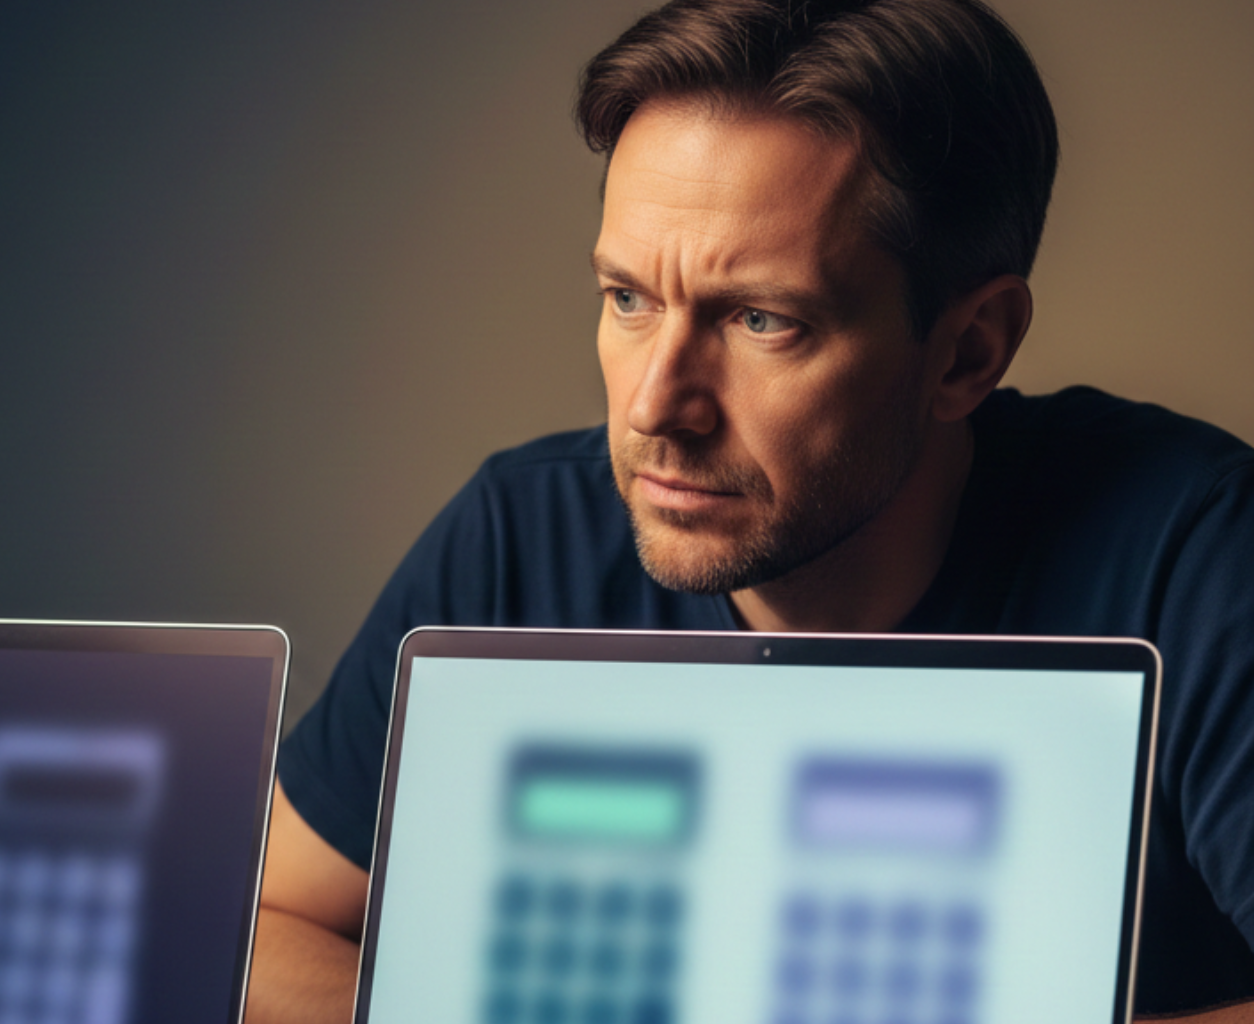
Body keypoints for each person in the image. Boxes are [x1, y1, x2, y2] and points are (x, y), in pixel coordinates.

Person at [243, 0, 1254, 1021]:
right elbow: (261, 933)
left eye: (762, 319)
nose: (654, 408)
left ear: (967, 352)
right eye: (628, 299)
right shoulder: (523, 534)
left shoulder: (1197, 554)